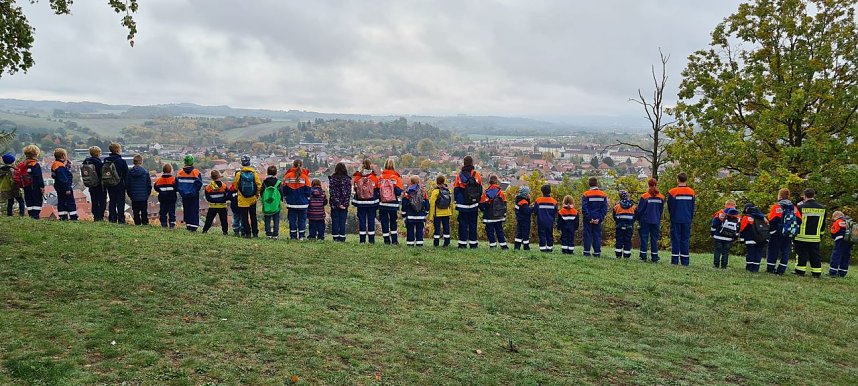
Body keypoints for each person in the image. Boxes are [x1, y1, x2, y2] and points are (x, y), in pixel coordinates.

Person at [766, 189, 802, 275]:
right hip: (789, 232)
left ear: (780, 196)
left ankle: (770, 268)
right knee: (785, 251)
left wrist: (772, 230)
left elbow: (772, 219)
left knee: (773, 250)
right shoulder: (794, 207)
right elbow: (799, 220)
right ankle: (781, 269)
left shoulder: (777, 206)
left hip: (777, 233)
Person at [794, 189, 826, 277]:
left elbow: (796, 222)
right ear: (814, 195)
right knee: (815, 255)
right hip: (815, 237)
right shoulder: (822, 208)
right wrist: (820, 235)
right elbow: (823, 224)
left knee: (801, 254)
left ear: (804, 195)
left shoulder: (800, 207)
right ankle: (816, 273)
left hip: (801, 236)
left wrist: (794, 234)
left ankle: (800, 272)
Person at [453, 155, 483, 249]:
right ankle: (473, 244)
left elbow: (456, 189)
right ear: (472, 163)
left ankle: (462, 243)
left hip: (462, 204)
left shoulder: (460, 175)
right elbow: (480, 188)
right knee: (473, 223)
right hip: (474, 203)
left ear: (464, 163)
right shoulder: (476, 174)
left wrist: (456, 200)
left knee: (462, 223)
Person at [668, 172, 696, 266]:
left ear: (677, 179)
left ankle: (674, 261)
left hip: (675, 218)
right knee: (685, 240)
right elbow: (692, 207)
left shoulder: (672, 192)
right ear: (686, 180)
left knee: (675, 239)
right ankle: (685, 261)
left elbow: (670, 207)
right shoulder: (691, 192)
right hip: (687, 219)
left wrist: (672, 216)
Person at [635, 178, 665, 262]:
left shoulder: (644, 196)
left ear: (648, 185)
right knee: (654, 239)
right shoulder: (661, 197)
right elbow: (661, 209)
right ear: (656, 184)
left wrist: (637, 218)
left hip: (645, 220)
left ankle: (643, 256)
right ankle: (654, 257)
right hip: (656, 220)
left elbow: (640, 210)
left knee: (644, 238)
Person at [233, 155, 262, 238]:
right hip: (252, 199)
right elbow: (259, 185)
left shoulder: (239, 174)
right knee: (253, 216)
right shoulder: (254, 173)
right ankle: (255, 233)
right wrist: (256, 195)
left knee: (244, 217)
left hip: (242, 199)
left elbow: (235, 186)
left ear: (242, 163)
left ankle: (247, 233)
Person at [282, 159, 311, 240]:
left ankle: (293, 236)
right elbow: (308, 190)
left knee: (292, 220)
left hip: (291, 203)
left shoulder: (288, 176)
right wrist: (307, 199)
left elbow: (284, 189)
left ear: (293, 165)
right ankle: (302, 236)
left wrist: (286, 197)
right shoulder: (305, 177)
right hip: (303, 203)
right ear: (301, 166)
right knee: (302, 220)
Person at [352, 159, 380, 244]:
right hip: (372, 202)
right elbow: (377, 188)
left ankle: (362, 240)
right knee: (371, 220)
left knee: (362, 220)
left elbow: (355, 188)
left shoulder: (358, 177)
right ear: (370, 165)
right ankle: (371, 240)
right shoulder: (374, 177)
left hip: (361, 203)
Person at [378, 159, 404, 245]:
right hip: (393, 203)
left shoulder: (381, 176)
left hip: (382, 203)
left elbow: (377, 190)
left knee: (384, 222)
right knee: (393, 221)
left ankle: (386, 240)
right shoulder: (395, 177)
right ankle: (394, 240)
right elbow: (399, 192)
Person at [479, 175, 509, 249]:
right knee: (500, 230)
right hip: (499, 216)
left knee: (490, 231)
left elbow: (481, 204)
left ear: (490, 182)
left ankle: (492, 245)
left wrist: (484, 211)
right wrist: (504, 214)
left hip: (489, 216)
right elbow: (505, 204)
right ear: (496, 181)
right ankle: (503, 246)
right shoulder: (501, 193)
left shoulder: (486, 193)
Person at [581, 177, 608, 257]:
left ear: (589, 184)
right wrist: (599, 219)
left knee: (587, 235)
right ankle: (597, 252)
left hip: (588, 218)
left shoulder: (586, 194)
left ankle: (586, 252)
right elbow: (604, 208)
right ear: (597, 183)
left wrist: (590, 218)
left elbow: (584, 208)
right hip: (598, 217)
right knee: (597, 235)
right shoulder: (603, 195)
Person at [176, 155, 203, 231]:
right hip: (194, 195)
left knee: (186, 209)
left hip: (184, 195)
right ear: (192, 162)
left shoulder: (180, 173)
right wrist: (194, 191)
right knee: (194, 210)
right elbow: (199, 184)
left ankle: (188, 225)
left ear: (184, 162)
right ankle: (193, 226)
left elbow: (177, 184)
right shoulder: (196, 172)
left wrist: (182, 192)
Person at [103, 143, 128, 224]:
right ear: (117, 150)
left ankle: (112, 219)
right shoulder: (122, 161)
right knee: (120, 202)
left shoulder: (106, 160)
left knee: (112, 201)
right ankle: (121, 220)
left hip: (109, 184)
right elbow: (126, 175)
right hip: (119, 185)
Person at [711, 200, 740, 269]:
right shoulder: (737, 215)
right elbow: (738, 227)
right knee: (726, 252)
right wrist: (735, 237)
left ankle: (716, 265)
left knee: (717, 251)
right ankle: (724, 265)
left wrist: (712, 233)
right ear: (734, 205)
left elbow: (714, 224)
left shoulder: (720, 213)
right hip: (729, 237)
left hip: (718, 236)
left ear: (725, 205)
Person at [739, 203, 768, 272]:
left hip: (750, 239)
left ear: (746, 209)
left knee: (750, 253)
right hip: (761, 239)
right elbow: (767, 228)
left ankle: (749, 268)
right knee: (758, 253)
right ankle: (756, 268)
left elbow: (742, 229)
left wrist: (742, 240)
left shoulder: (746, 217)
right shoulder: (763, 217)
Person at [51, 148, 78, 221]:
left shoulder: (55, 164)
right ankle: (73, 217)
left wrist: (66, 166)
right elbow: (63, 178)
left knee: (61, 202)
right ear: (63, 156)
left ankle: (63, 217)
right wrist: (67, 188)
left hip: (58, 186)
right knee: (70, 202)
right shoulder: (60, 166)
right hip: (65, 187)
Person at [401, 175, 428, 247]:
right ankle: (419, 243)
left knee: (410, 230)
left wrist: (403, 215)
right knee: (419, 230)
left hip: (410, 216)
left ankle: (410, 243)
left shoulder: (407, 192)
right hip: (420, 216)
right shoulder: (423, 191)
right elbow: (427, 203)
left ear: (411, 182)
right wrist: (426, 213)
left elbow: (404, 205)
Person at [125, 154, 151, 226]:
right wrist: (147, 194)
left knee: (135, 211)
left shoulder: (130, 172)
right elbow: (148, 185)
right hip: (143, 196)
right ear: (141, 162)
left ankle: (137, 223)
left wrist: (130, 195)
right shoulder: (145, 172)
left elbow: (128, 185)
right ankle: (145, 223)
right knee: (144, 211)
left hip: (134, 196)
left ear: (134, 162)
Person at [427, 174, 453, 247]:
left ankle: (436, 243)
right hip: (446, 213)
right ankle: (447, 243)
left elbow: (432, 204)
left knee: (437, 229)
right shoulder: (448, 190)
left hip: (437, 214)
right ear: (444, 181)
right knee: (446, 228)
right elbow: (450, 202)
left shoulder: (435, 191)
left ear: (437, 182)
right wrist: (450, 212)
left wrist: (431, 217)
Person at [82, 147, 106, 221]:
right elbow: (102, 174)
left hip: (91, 186)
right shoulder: (98, 163)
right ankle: (100, 217)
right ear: (98, 153)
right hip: (99, 186)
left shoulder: (85, 162)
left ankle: (95, 216)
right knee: (102, 202)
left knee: (94, 201)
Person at [328, 162, 351, 242]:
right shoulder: (347, 179)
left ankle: (335, 237)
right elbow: (348, 193)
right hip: (344, 204)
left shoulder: (332, 179)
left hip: (334, 204)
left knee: (335, 221)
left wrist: (338, 204)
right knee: (342, 221)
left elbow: (332, 193)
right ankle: (342, 237)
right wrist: (344, 204)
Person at [202, 170, 229, 235]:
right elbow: (228, 195)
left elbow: (208, 198)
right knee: (224, 220)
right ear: (219, 176)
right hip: (222, 206)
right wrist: (222, 200)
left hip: (213, 206)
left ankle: (205, 230)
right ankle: (225, 232)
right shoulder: (224, 186)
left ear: (211, 177)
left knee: (209, 219)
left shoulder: (208, 187)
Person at [612, 190, 636, 259]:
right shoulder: (633, 206)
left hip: (619, 226)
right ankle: (627, 256)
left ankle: (618, 255)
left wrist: (618, 222)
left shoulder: (616, 207)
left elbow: (614, 217)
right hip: (629, 226)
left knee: (619, 240)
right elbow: (635, 216)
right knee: (628, 241)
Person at [535, 184, 558, 253]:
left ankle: (542, 248)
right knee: (549, 234)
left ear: (542, 191)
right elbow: (555, 212)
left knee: (542, 234)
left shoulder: (538, 200)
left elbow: (535, 211)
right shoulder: (554, 201)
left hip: (541, 220)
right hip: (550, 221)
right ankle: (549, 248)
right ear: (550, 191)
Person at [829, 211, 852, 278]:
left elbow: (834, 231)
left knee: (836, 256)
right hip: (849, 242)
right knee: (846, 256)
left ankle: (833, 272)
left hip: (840, 241)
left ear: (836, 216)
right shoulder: (850, 221)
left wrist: (833, 236)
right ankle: (842, 273)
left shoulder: (838, 221)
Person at [153, 163, 177, 228]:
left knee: (163, 213)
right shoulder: (174, 180)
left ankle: (164, 224)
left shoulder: (158, 180)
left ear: (163, 170)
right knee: (172, 212)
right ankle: (172, 225)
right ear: (171, 170)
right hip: (172, 200)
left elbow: (156, 188)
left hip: (163, 200)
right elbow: (177, 188)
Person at [261, 166, 281, 240]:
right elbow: (281, 192)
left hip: (267, 204)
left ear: (267, 172)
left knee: (267, 219)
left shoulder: (265, 182)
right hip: (276, 204)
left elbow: (261, 192)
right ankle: (275, 234)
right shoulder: (278, 182)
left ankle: (268, 234)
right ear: (276, 173)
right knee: (276, 220)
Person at [513, 186, 533, 251]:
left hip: (519, 219)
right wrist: (532, 207)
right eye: (528, 193)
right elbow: (528, 211)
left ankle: (517, 246)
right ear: (525, 194)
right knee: (525, 233)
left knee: (519, 233)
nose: (529, 194)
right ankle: (526, 247)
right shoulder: (523, 202)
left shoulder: (518, 200)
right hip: (525, 220)